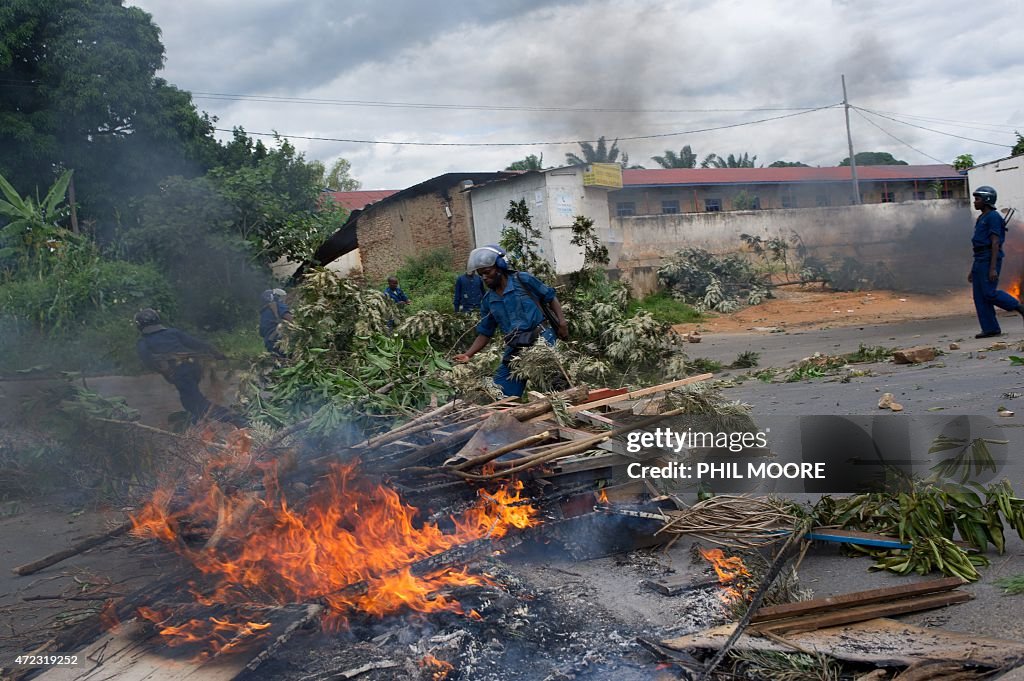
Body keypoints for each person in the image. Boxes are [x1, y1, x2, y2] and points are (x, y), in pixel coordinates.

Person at [453, 245, 569, 397]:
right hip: (516, 347)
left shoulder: (523, 280)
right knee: (501, 394)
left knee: (559, 389)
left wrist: (562, 323)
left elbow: (550, 297)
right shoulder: (488, 301)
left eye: (487, 273)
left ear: (500, 268)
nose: (484, 278)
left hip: (542, 341)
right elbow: (485, 333)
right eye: (481, 275)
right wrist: (468, 354)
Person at [134, 309, 242, 426]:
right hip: (194, 367)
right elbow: (197, 343)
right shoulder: (173, 332)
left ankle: (236, 419)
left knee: (195, 403)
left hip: (179, 373)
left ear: (140, 326)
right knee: (189, 400)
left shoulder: (143, 342)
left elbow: (148, 361)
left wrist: (164, 369)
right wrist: (217, 354)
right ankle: (198, 423)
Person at [967, 185, 1024, 339]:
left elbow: (995, 242)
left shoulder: (993, 217)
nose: (975, 202)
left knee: (989, 293)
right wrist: (973, 269)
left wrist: (992, 268)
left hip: (989, 258)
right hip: (979, 258)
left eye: (977, 199)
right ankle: (990, 328)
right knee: (979, 296)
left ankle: (1018, 306)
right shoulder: (981, 218)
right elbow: (978, 245)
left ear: (986, 200)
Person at [259, 288, 292, 356]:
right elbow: (289, 318)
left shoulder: (263, 312)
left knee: (280, 361)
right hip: (280, 339)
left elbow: (261, 333)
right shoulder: (278, 305)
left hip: (269, 342)